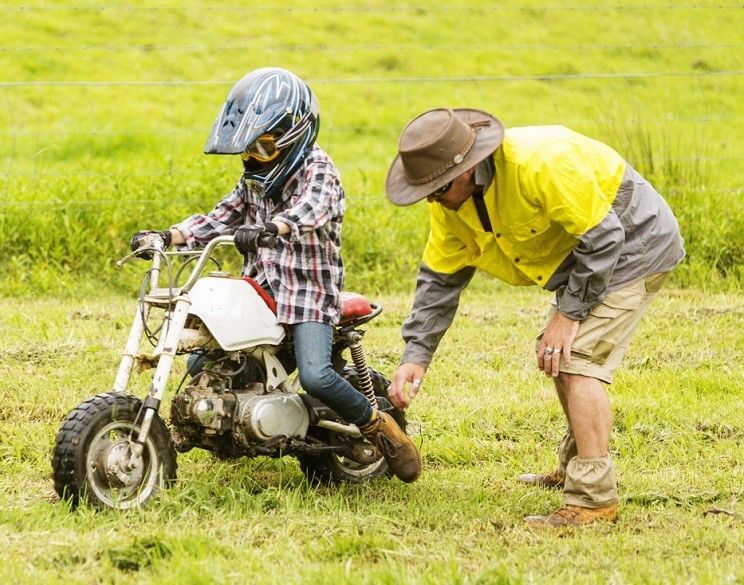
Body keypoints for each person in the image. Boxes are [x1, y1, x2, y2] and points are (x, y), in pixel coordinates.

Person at [384, 108, 684, 526]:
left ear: (466, 171)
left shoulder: (539, 164)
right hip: (590, 254)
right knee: (557, 356)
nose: (430, 198)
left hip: (635, 242)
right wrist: (416, 355)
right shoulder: (450, 204)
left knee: (576, 359)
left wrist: (568, 313)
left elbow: (605, 238)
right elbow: (440, 280)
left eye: (435, 188)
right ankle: (574, 469)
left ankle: (593, 501)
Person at [131, 67, 420, 483]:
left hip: (309, 296)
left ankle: (381, 429)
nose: (252, 159)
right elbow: (220, 217)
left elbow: (311, 210)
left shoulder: (318, 169)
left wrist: (273, 227)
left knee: (317, 374)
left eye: (262, 148)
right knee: (202, 362)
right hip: (263, 293)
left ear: (293, 136)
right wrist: (169, 235)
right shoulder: (254, 181)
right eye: (247, 151)